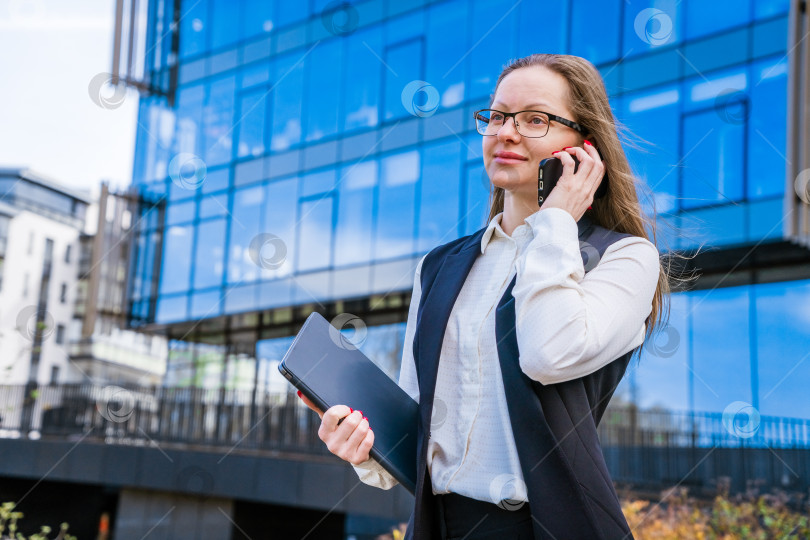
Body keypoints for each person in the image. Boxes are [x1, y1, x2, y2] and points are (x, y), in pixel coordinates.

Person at [299, 53, 669, 540]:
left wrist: (554, 220)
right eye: (497, 116)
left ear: (583, 148)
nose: (506, 132)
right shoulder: (438, 266)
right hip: (439, 526)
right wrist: (364, 445)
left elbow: (546, 353)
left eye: (535, 119)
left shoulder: (624, 258)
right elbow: (421, 420)